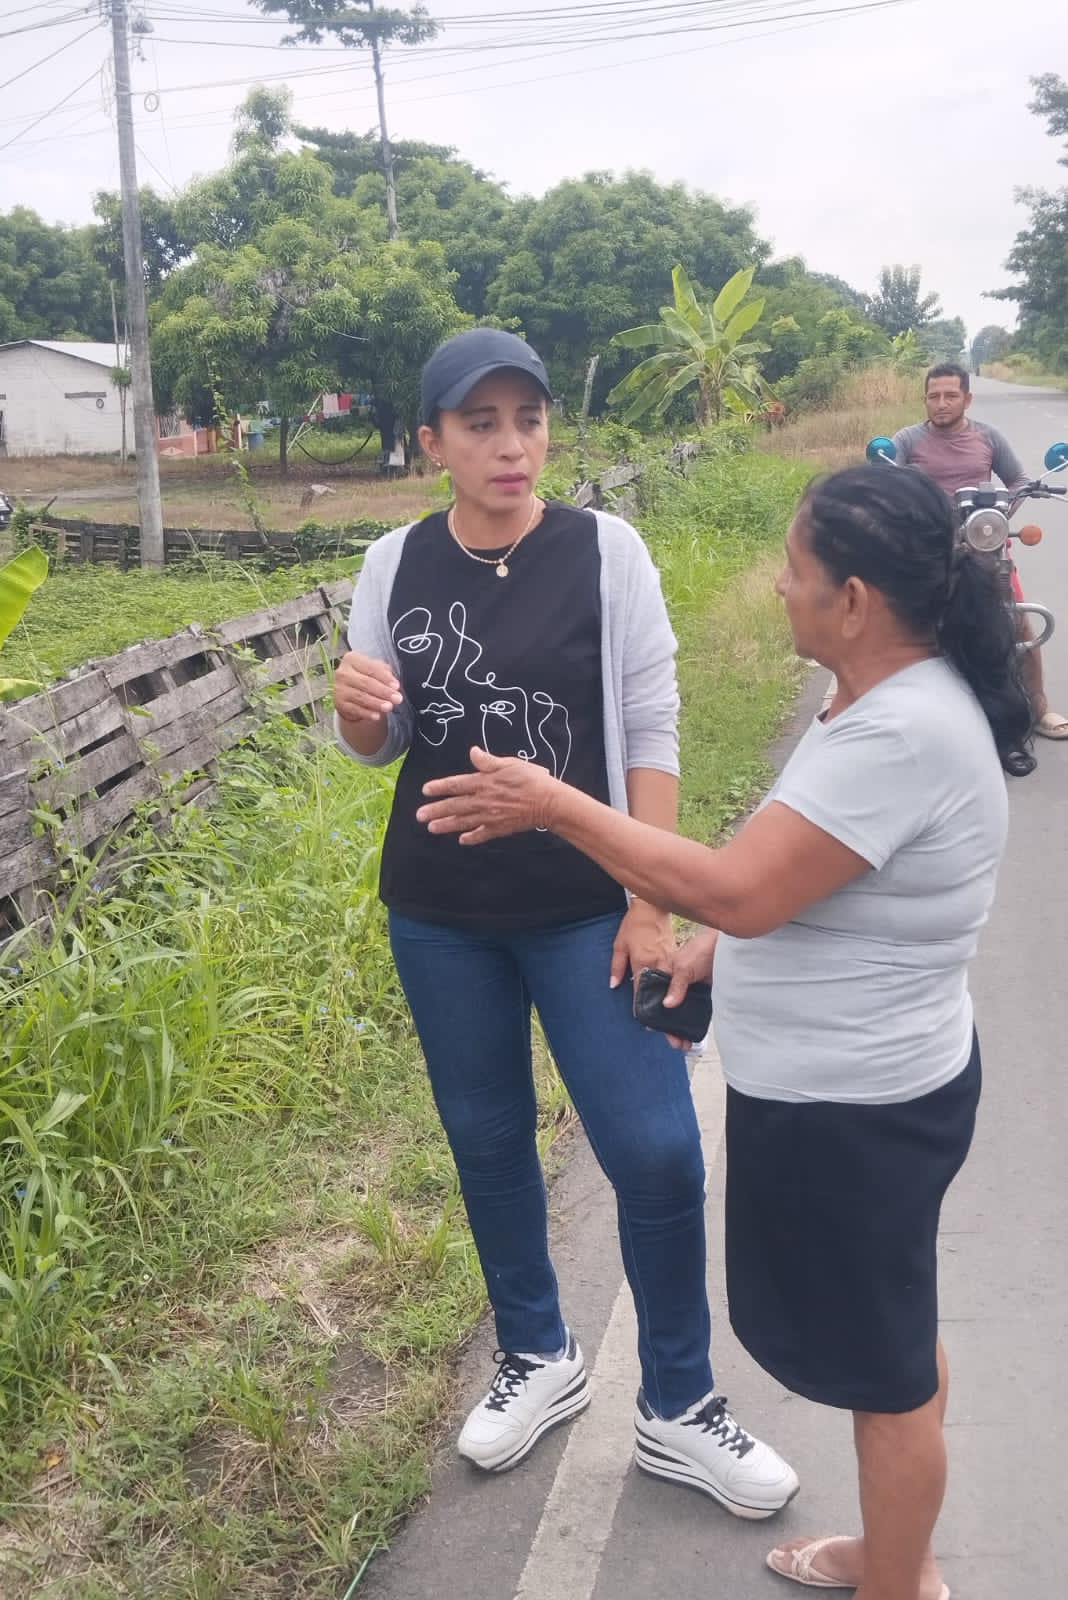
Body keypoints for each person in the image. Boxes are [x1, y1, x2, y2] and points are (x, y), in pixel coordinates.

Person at [416, 463, 1031, 1600]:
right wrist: (716, 954)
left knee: (888, 1374)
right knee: (892, 1340)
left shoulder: (900, 729)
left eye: (794, 572)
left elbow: (740, 888)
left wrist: (553, 804)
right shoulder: (875, 694)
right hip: (869, 1087)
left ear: (854, 599)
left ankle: (899, 1583)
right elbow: (818, 876)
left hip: (857, 1111)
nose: (780, 589)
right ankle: (895, 1553)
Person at [332, 327, 797, 1517]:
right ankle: (537, 1353)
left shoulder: (604, 550)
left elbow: (651, 720)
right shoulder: (391, 560)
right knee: (486, 1139)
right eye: (479, 424)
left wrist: (649, 900)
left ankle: (678, 1402)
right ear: (431, 441)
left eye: (527, 420)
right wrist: (356, 711)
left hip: (589, 906)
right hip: (440, 911)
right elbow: (379, 740)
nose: (511, 445)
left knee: (655, 1149)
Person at [891, 361, 1067, 739]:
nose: (941, 403)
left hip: (986, 547)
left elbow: (1019, 480)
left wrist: (998, 517)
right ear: (925, 400)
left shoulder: (988, 437)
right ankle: (910, 713)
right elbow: (885, 479)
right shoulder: (907, 440)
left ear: (967, 399)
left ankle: (1039, 708)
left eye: (950, 395)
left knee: (1018, 620)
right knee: (912, 627)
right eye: (934, 396)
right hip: (929, 550)